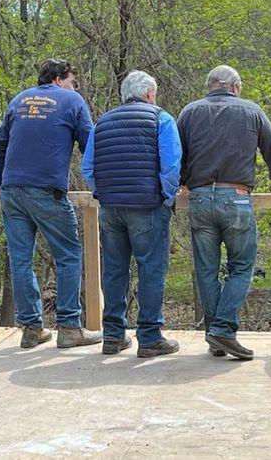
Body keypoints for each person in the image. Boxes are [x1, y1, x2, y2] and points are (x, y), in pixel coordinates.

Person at [177, 65, 271, 360]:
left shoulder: (190, 112)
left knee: (206, 270)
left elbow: (177, 153)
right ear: (235, 87)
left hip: (199, 198)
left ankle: (215, 336)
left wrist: (182, 182)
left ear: (210, 86)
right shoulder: (250, 111)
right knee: (241, 267)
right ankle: (224, 330)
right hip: (236, 197)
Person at [0, 59, 101, 350]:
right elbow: (89, 142)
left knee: (20, 259)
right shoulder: (71, 100)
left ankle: (31, 328)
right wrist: (99, 183)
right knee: (68, 254)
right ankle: (69, 327)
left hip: (12, 191)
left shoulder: (19, 100)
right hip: (46, 189)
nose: (74, 86)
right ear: (57, 79)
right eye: (71, 80)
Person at [81, 71, 182, 359]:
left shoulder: (101, 123)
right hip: (147, 206)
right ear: (149, 94)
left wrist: (104, 192)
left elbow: (88, 168)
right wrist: (165, 197)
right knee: (151, 269)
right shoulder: (161, 119)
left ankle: (113, 335)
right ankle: (149, 337)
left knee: (114, 270)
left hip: (111, 208)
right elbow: (171, 165)